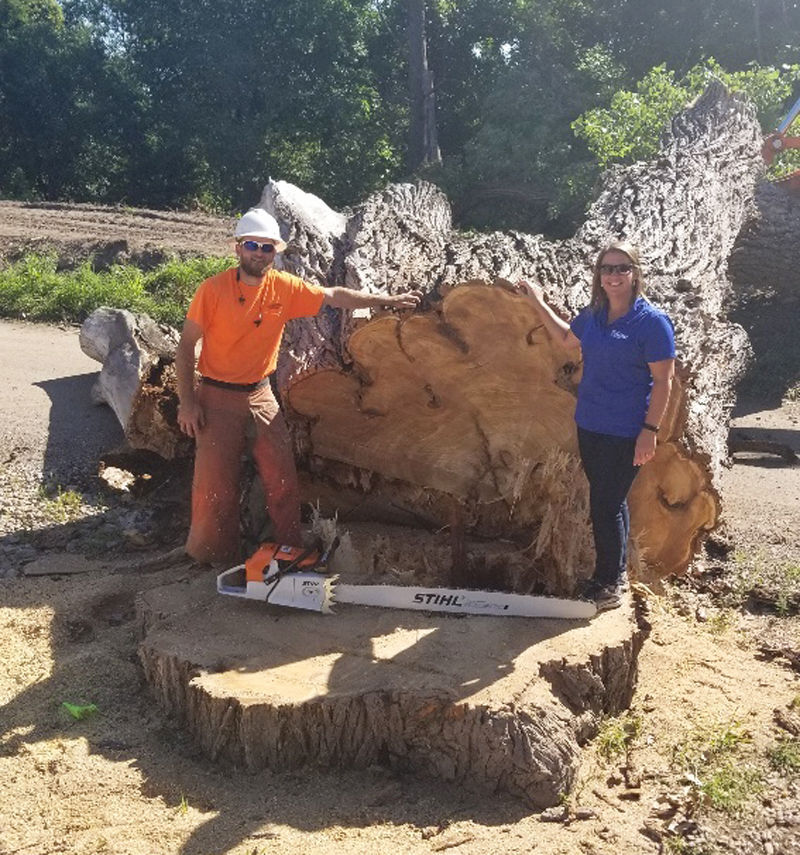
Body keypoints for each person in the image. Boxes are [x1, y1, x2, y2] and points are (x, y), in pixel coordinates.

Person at [176, 207, 422, 566]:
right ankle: (212, 558)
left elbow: (336, 295)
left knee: (282, 479)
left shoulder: (284, 287)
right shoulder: (212, 291)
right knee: (214, 487)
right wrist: (188, 402)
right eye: (252, 245)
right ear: (238, 248)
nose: (259, 253)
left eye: (267, 248)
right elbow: (185, 348)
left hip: (261, 395)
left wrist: (386, 301)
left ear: (275, 253)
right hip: (216, 398)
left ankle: (288, 550)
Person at [517, 241, 675, 610]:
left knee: (604, 504)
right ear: (598, 276)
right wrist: (536, 301)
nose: (614, 275)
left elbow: (664, 382)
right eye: (607, 269)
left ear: (635, 274)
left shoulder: (652, 323)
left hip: (627, 431)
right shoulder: (593, 315)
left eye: (622, 268)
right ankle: (613, 574)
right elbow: (566, 339)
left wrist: (649, 432)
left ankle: (609, 581)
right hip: (590, 424)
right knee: (609, 500)